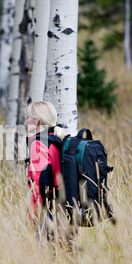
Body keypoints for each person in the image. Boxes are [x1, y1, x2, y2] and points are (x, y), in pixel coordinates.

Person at [25, 101, 77, 245]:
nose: (26, 121)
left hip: (48, 211)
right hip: (66, 207)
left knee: (46, 259)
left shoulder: (38, 144)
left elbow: (39, 182)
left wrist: (34, 214)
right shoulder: (57, 139)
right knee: (67, 256)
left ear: (37, 121)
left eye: (29, 117)